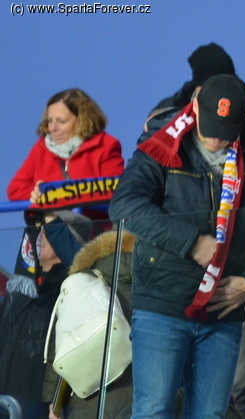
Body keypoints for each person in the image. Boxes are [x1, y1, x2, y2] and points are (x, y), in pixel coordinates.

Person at [108, 74, 245, 418]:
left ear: (243, 119)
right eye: (210, 126)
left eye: (225, 130)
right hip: (161, 304)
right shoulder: (161, 143)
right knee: (153, 410)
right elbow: (124, 206)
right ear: (195, 107)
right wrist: (191, 242)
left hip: (223, 309)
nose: (216, 139)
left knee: (211, 415)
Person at [0, 211, 91, 418]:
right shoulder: (19, 290)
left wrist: (56, 404)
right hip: (5, 399)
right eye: (39, 232)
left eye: (48, 233)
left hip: (40, 406)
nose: (39, 238)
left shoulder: (72, 291)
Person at [42, 229, 135, 419]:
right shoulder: (159, 281)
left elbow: (61, 345)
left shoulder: (83, 282)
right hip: (144, 397)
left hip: (86, 399)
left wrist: (55, 404)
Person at [7, 88, 124, 203]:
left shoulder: (105, 145)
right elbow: (15, 189)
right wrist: (36, 193)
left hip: (89, 215)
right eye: (50, 121)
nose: (53, 128)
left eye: (61, 121)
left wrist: (55, 194)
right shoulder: (40, 148)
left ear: (83, 121)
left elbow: (113, 189)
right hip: (49, 215)